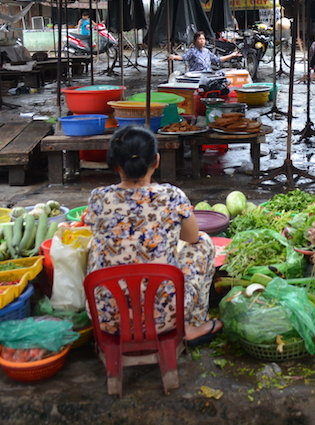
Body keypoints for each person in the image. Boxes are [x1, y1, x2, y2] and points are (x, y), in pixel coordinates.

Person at [85, 126, 221, 346]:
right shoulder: (172, 195)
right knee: (203, 243)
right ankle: (193, 324)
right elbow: (193, 237)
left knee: (95, 247)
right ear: (156, 160)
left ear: (114, 163)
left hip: (106, 318)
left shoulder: (98, 198)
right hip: (165, 318)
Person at [168, 30, 240, 72]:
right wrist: (174, 57)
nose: (202, 41)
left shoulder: (206, 51)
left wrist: (232, 55)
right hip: (196, 76)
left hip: (207, 75)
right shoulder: (192, 51)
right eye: (200, 39)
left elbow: (217, 59)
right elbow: (183, 57)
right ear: (195, 41)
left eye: (203, 39)